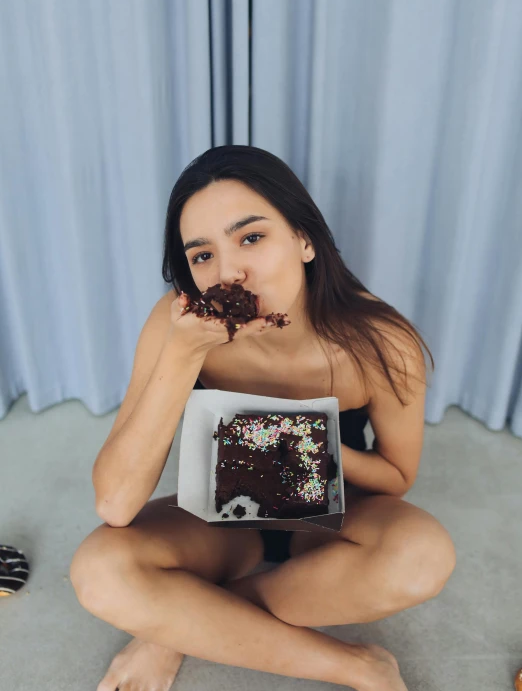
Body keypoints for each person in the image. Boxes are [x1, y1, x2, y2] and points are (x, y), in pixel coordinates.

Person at [70, 145, 456, 691]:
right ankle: (358, 666)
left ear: (304, 240)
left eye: (251, 237)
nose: (229, 272)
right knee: (100, 572)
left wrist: (305, 444)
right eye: (202, 255)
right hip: (223, 517)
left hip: (331, 517)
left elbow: (398, 477)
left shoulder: (382, 343)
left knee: (423, 555)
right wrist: (182, 358)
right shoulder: (176, 324)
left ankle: (178, 628)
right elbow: (114, 503)